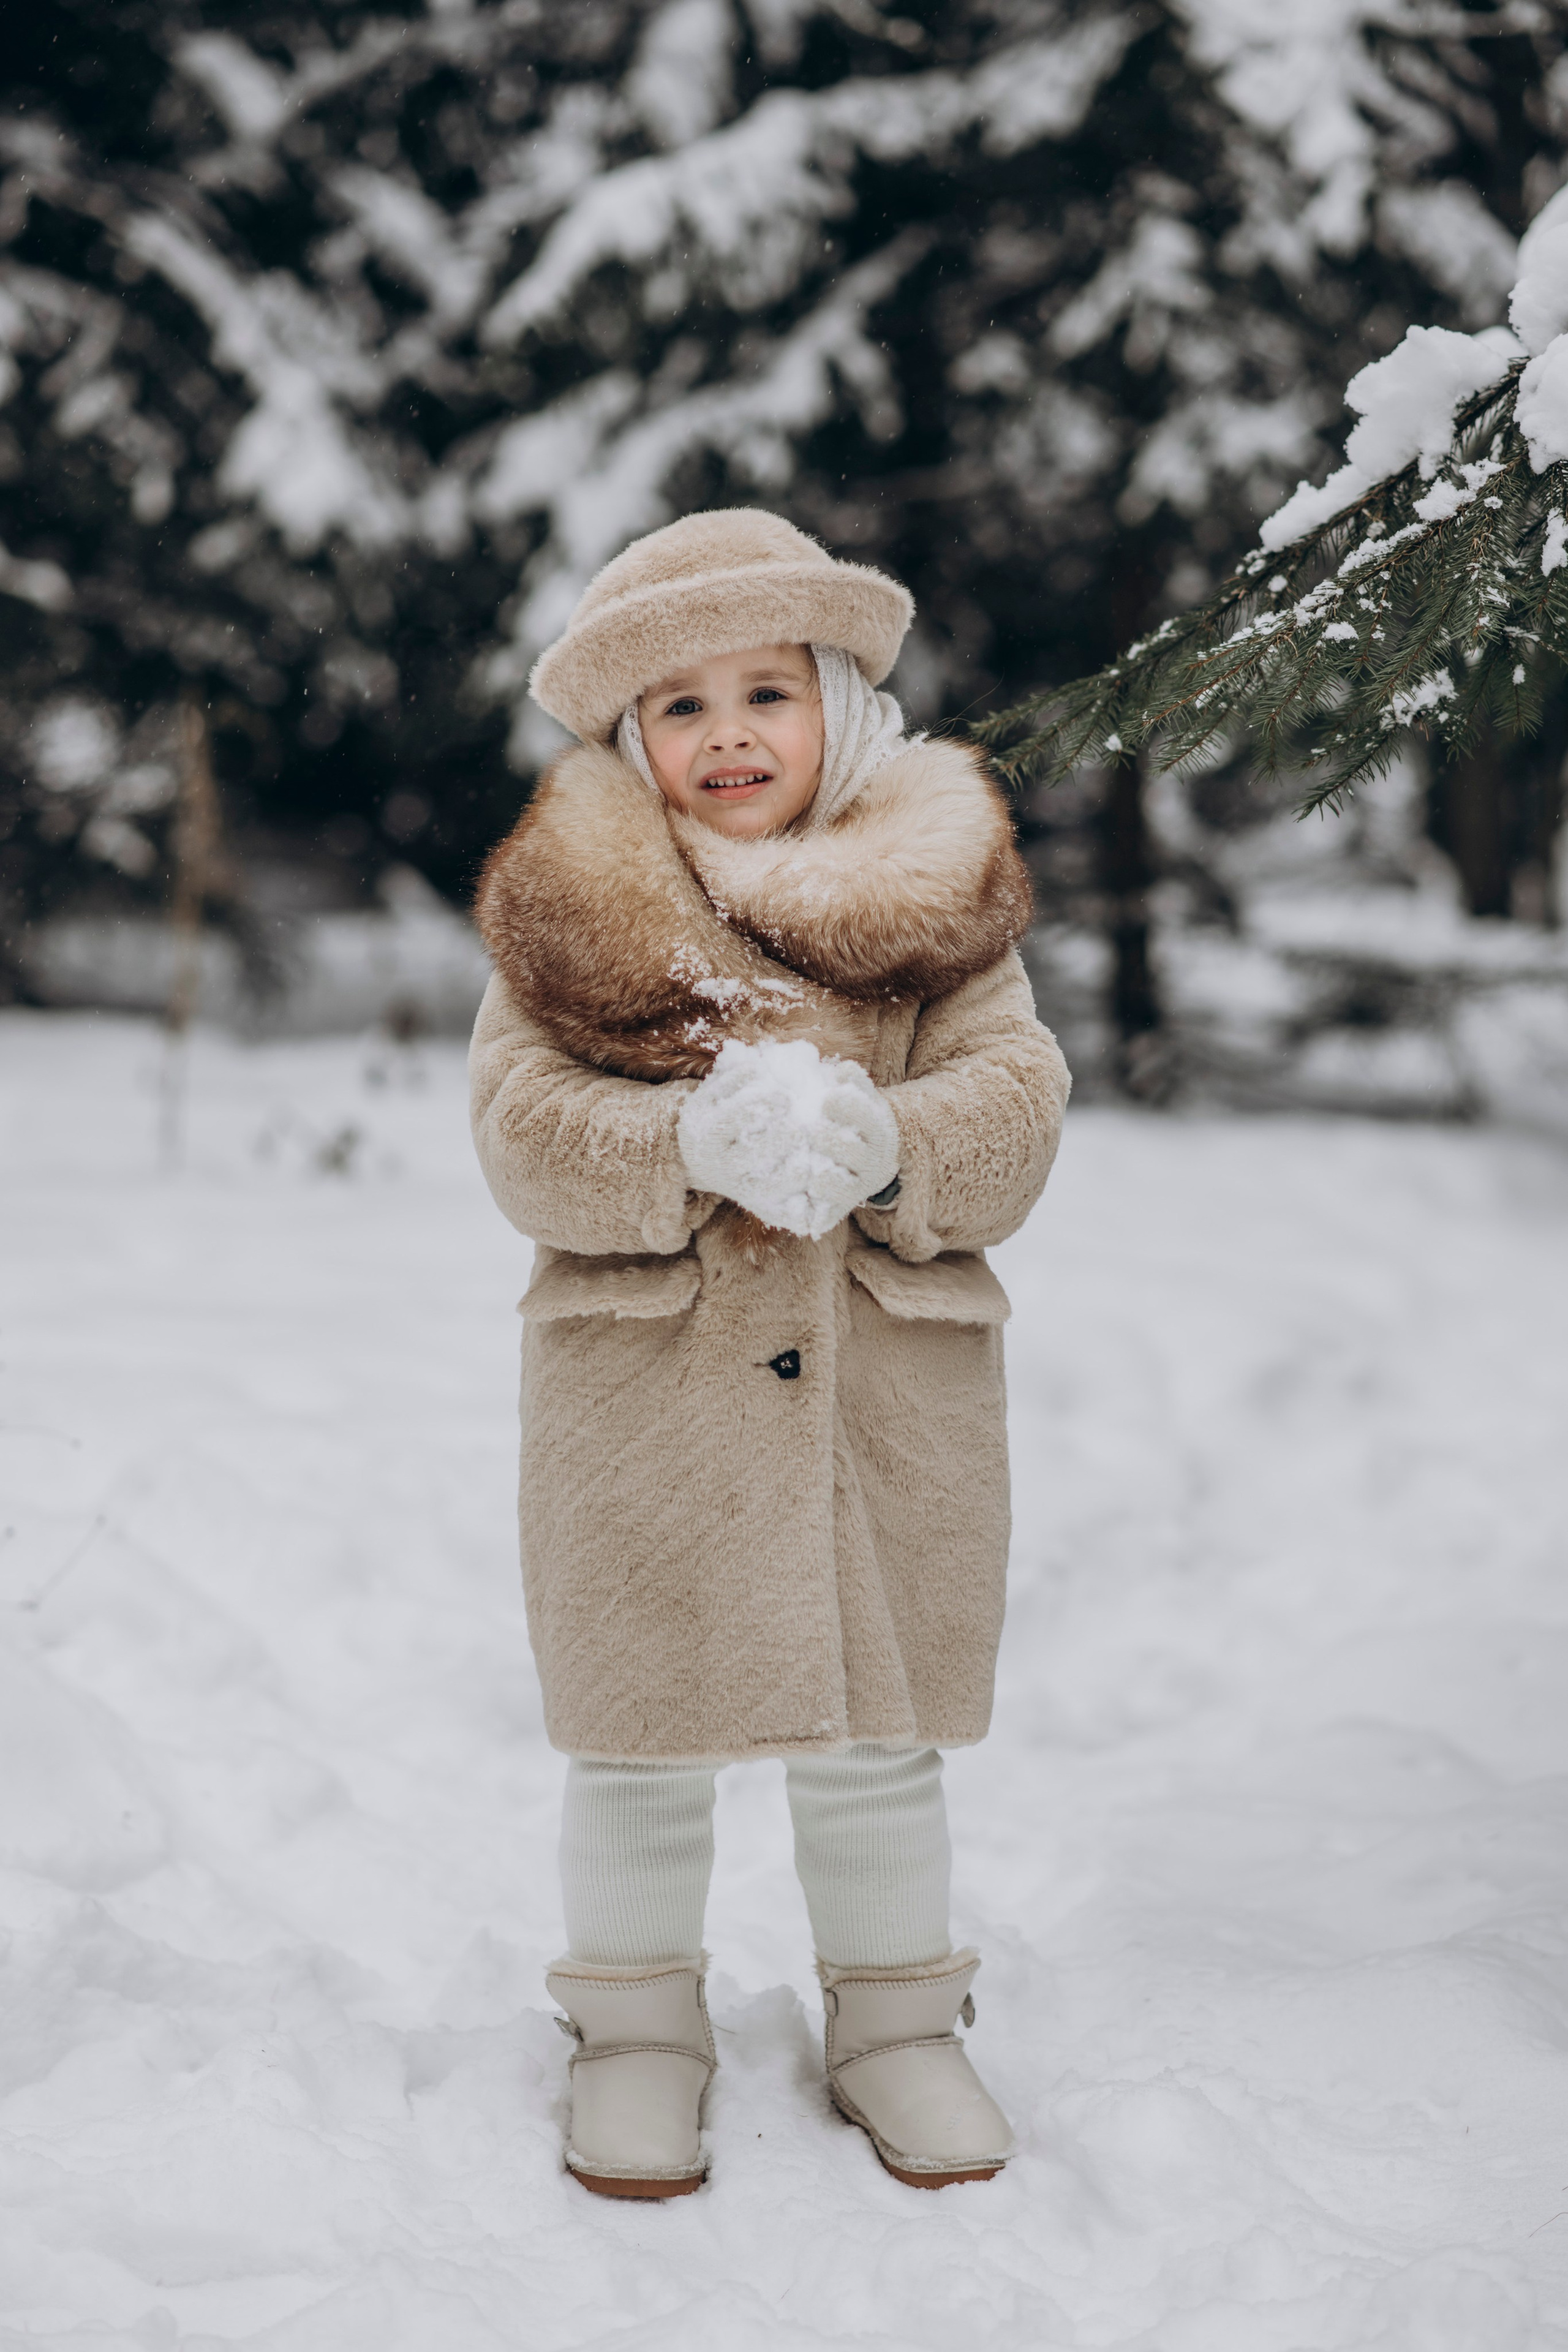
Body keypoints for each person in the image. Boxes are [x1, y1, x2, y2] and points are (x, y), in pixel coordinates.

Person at [469, 508, 1069, 2199]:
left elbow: (1018, 1104)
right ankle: (638, 2024)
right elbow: (521, 1129)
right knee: (641, 1734)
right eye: (681, 706)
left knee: (879, 1735)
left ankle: (895, 2019)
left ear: (838, 705)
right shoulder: (573, 916)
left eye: (764, 691)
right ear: (628, 739)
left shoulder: (938, 901)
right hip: (643, 1398)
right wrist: (681, 1153)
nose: (728, 733)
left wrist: (890, 1144)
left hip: (881, 1394)